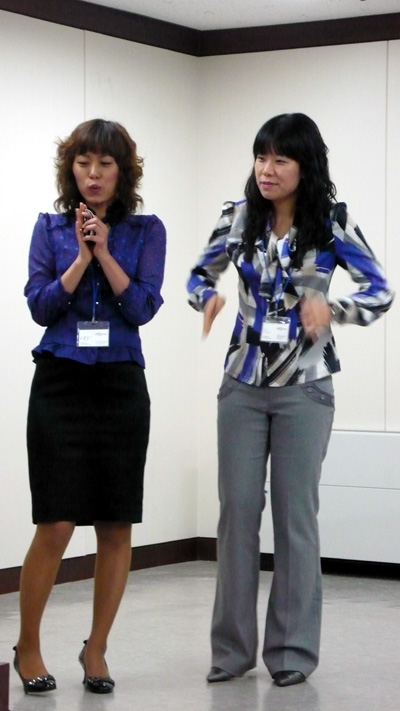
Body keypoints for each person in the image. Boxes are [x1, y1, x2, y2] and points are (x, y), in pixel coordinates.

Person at [187, 113, 393, 687]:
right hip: (242, 384)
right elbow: (198, 275)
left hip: (306, 385)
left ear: (306, 166)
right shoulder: (236, 217)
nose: (267, 169)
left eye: (280, 159)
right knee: (236, 516)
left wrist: (336, 309)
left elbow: (380, 292)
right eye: (261, 157)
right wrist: (205, 298)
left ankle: (292, 653)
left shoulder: (332, 222)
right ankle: (231, 653)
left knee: (295, 519)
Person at [14, 118, 166, 695]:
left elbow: (142, 308)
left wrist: (105, 252)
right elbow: (41, 306)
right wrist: (80, 257)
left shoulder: (146, 230)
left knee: (115, 523)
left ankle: (96, 648)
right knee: (55, 522)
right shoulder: (49, 228)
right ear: (70, 169)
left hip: (121, 385)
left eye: (105, 164)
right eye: (84, 163)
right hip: (60, 382)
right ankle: (28, 645)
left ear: (123, 172)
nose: (94, 174)